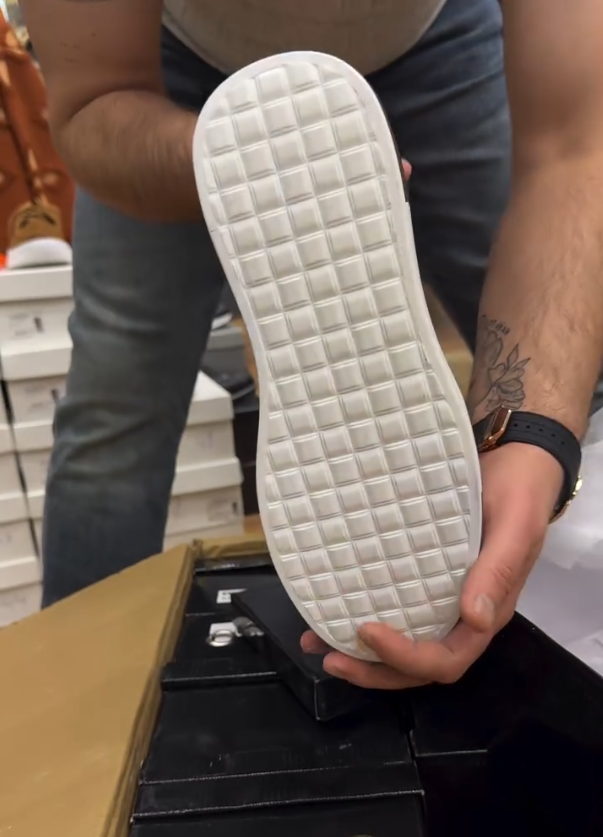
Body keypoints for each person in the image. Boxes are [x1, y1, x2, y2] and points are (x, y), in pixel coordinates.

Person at [20, 0, 603, 690]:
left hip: (436, 38)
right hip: (163, 77)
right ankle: (79, 700)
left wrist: (533, 432)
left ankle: (560, 598)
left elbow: (575, 148)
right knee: (115, 416)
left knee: (565, 389)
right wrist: (254, 160)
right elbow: (90, 105)